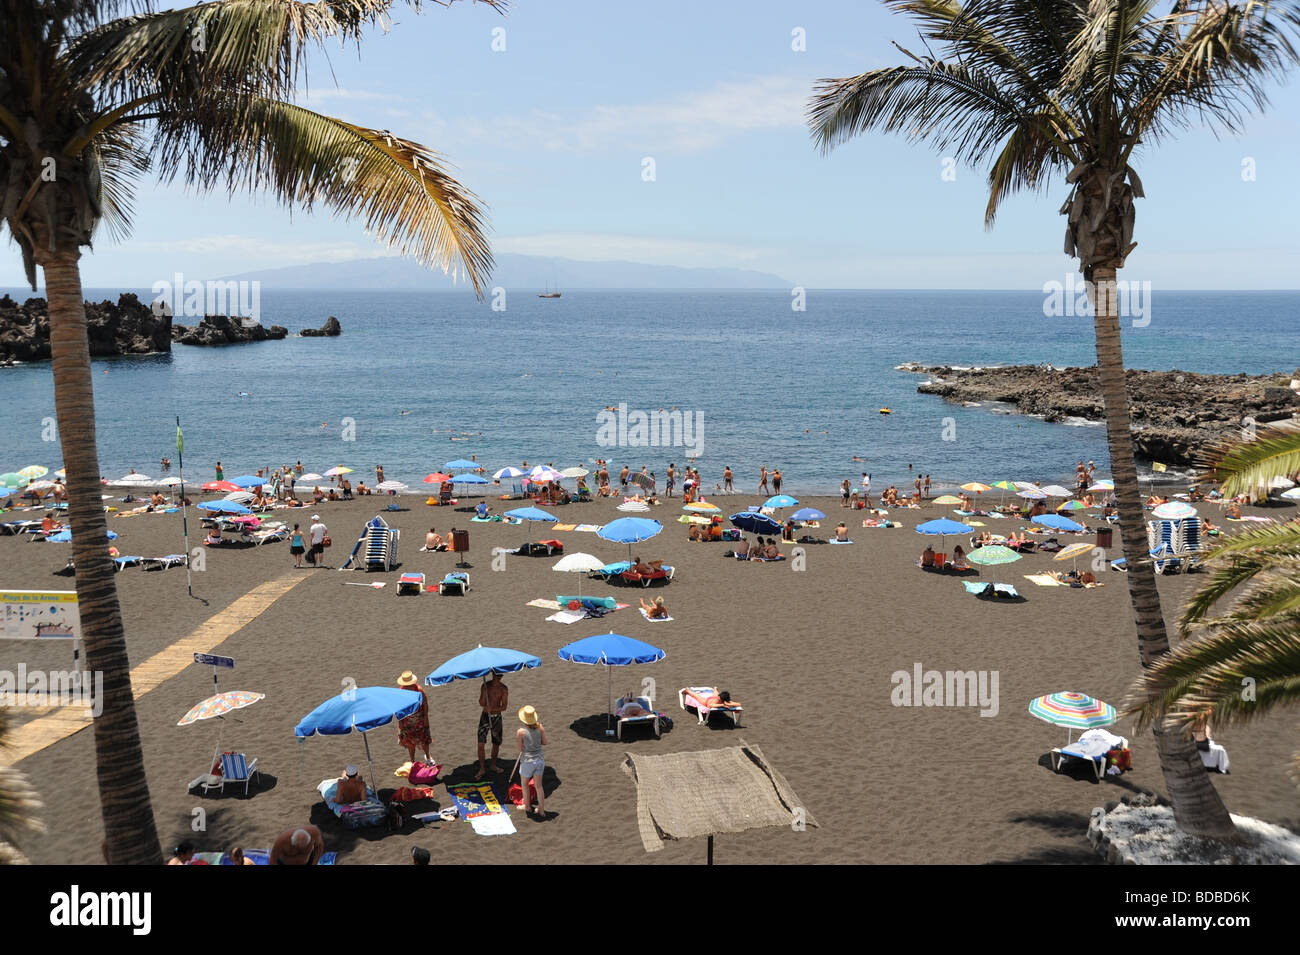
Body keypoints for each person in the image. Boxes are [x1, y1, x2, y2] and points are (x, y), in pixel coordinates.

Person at [516, 705, 548, 818]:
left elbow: (520, 749)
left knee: (524, 784)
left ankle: (528, 806)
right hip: (539, 760)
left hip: (527, 761)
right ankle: (541, 810)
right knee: (539, 786)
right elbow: (544, 742)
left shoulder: (521, 732)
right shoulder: (540, 727)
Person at [477, 671, 508, 779]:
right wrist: (485, 692)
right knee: (481, 743)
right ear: (493, 675)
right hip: (485, 716)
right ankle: (482, 768)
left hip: (496, 718)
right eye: (497, 675)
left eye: (500, 676)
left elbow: (504, 707)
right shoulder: (485, 686)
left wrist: (493, 709)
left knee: (496, 742)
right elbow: (481, 703)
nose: (498, 678)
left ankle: (493, 765)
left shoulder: (503, 689)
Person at [396, 671, 433, 763]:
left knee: (424, 740)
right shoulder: (400, 692)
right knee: (410, 743)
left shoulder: (419, 690)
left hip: (419, 719)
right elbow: (398, 709)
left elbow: (425, 705)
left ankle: (428, 757)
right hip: (407, 721)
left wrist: (425, 718)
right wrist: (400, 723)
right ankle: (412, 761)